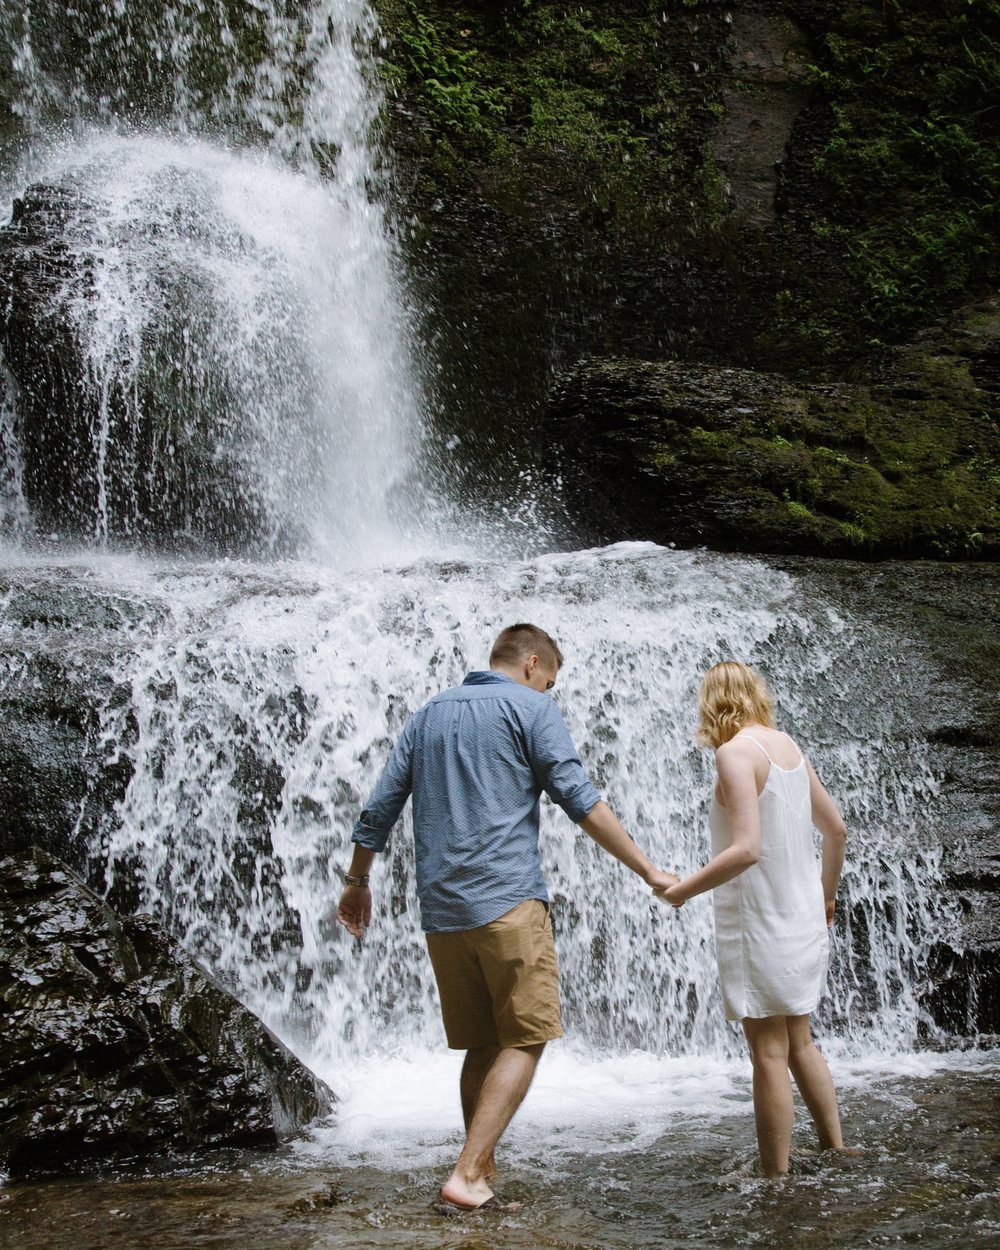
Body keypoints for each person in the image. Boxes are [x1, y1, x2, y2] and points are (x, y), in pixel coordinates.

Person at [335, 623, 677, 1212]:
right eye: (549, 681)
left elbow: (380, 807)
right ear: (532, 663)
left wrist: (357, 881)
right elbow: (577, 796)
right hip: (507, 901)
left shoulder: (427, 715)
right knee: (529, 1035)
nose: (548, 691)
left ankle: (481, 1174)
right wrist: (647, 869)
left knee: (484, 1043)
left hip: (443, 912)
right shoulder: (530, 709)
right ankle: (466, 1173)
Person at [658, 660, 849, 1177]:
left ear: (712, 704)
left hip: (760, 924)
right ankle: (836, 1146)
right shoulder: (786, 746)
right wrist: (826, 898)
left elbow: (746, 850)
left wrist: (682, 891)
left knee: (768, 1053)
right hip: (801, 917)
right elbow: (837, 831)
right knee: (800, 1041)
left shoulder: (734, 753)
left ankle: (774, 1176)